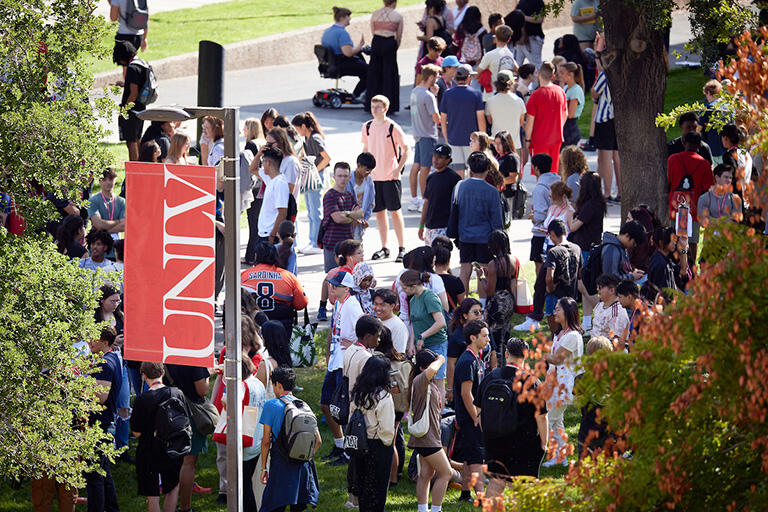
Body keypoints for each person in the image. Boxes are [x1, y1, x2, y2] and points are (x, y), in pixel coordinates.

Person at [476, 339, 548, 492]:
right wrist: (544, 442)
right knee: (518, 486)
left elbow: (479, 411)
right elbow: (541, 417)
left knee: (496, 481)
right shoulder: (533, 382)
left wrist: (488, 433)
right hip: (523, 442)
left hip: (493, 441)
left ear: (507, 354)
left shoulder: (491, 377)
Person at [259, 367, 321, 512]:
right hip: (301, 466)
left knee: (273, 506)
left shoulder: (271, 405)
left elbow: (266, 441)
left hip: (281, 464)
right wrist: (305, 455)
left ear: (278, 385)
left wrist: (263, 467)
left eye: (273, 385)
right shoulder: (303, 405)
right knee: (297, 507)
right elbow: (318, 440)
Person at [130, 362, 188, 512]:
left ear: (144, 375)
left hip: (148, 449)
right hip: (173, 446)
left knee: (152, 493)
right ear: (162, 374)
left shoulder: (142, 399)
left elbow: (136, 432)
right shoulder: (177, 393)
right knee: (173, 487)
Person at [321, 270, 364, 466]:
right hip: (335, 361)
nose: (332, 287)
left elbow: (366, 328)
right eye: (331, 284)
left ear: (346, 288)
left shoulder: (353, 305)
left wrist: (355, 343)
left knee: (342, 408)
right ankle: (340, 445)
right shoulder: (339, 302)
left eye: (336, 285)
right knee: (326, 403)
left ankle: (348, 452)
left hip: (345, 362)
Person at [362, 95, 409, 262]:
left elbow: (406, 148)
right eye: (373, 106)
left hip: (390, 176)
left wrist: (398, 169)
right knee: (379, 213)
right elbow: (366, 149)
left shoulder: (392, 127)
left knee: (395, 212)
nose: (374, 110)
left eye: (378, 107)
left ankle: (402, 248)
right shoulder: (367, 127)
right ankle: (384, 247)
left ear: (385, 109)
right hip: (374, 177)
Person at [450, 152, 504, 296]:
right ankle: (482, 304)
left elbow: (454, 211)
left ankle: (463, 304)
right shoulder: (492, 191)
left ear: (470, 169)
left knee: (465, 271)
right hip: (485, 237)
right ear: (487, 169)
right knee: (483, 271)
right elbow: (497, 219)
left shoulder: (460, 187)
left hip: (464, 235)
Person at [343, 315, 382, 509]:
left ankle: (352, 496)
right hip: (362, 413)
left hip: (351, 411)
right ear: (367, 336)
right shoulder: (366, 358)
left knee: (354, 456)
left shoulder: (350, 349)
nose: (379, 340)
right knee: (362, 459)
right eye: (377, 336)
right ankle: (358, 498)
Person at [348, 356, 396, 511]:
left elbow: (351, 417)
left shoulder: (357, 393)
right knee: (377, 490)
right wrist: (386, 443)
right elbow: (387, 429)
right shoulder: (384, 396)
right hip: (378, 445)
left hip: (360, 444)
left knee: (362, 487)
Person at [163, 362, 212, 512]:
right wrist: (208, 374)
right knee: (188, 463)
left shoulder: (168, 354)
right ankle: (185, 507)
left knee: (174, 461)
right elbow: (202, 390)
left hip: (170, 411)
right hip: (190, 414)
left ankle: (170, 504)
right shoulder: (195, 358)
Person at [85, 326, 123, 512]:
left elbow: (100, 396)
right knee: (103, 472)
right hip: (105, 424)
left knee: (93, 476)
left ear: (106, 342)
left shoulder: (105, 363)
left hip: (100, 425)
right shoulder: (110, 358)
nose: (90, 341)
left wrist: (77, 388)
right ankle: (112, 508)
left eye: (94, 338)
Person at [408, 349, 452, 512]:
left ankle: (422, 509)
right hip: (428, 439)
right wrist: (440, 359)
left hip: (429, 436)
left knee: (426, 474)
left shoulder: (425, 382)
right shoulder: (420, 380)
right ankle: (436, 509)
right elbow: (432, 369)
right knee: (446, 473)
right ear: (422, 368)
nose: (437, 368)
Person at [542, 297, 584, 467]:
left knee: (549, 419)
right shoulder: (560, 334)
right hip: (556, 384)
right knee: (556, 420)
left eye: (558, 309)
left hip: (565, 386)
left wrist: (540, 355)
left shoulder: (573, 336)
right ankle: (562, 457)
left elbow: (557, 358)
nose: (554, 312)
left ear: (567, 312)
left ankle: (556, 457)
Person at [452, 319, 489, 501]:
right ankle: (482, 498)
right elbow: (466, 394)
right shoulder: (467, 361)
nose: (488, 339)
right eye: (484, 336)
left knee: (469, 457)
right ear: (473, 338)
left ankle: (465, 494)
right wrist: (476, 418)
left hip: (471, 417)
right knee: (476, 460)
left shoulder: (476, 358)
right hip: (469, 418)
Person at [566, 172, 606, 331]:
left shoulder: (592, 205)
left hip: (586, 250)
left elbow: (574, 226)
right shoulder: (596, 203)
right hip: (588, 247)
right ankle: (588, 322)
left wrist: (569, 214)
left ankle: (604, 312)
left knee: (583, 285)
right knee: (586, 285)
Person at [241, 242, 308, 334]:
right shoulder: (289, 277)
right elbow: (301, 304)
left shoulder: (242, 276)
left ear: (256, 256)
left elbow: (232, 303)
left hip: (252, 332)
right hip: (282, 332)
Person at [667, 131, 714, 259]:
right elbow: (708, 189)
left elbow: (668, 182)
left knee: (675, 240)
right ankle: (690, 268)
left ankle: (677, 266)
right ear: (699, 146)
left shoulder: (672, 159)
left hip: (675, 207)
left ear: (684, 143)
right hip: (693, 209)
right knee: (692, 242)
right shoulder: (704, 164)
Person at [400, 270, 448, 394]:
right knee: (424, 381)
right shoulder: (413, 299)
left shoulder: (429, 297)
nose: (402, 290)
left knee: (437, 382)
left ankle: (438, 412)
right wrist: (411, 343)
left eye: (404, 287)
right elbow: (413, 323)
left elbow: (441, 322)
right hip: (421, 346)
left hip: (436, 344)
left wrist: (422, 336)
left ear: (414, 286)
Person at [475, 230, 519, 363]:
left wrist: (481, 277)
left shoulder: (494, 264)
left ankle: (496, 365)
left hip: (497, 303)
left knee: (494, 337)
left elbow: (489, 291)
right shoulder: (512, 260)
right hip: (509, 300)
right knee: (505, 334)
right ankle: (507, 361)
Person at [292, 112, 331, 254]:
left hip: (315, 177)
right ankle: (312, 240)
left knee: (316, 211)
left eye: (297, 128)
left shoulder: (314, 138)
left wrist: (314, 170)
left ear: (303, 126)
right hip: (311, 178)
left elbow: (327, 158)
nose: (296, 131)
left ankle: (317, 243)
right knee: (311, 210)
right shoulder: (307, 139)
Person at [439, 64, 484, 178]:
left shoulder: (448, 94)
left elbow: (443, 119)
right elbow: (481, 119)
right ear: (468, 77)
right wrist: (483, 139)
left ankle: (459, 195)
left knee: (458, 172)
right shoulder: (476, 94)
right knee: (473, 170)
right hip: (472, 140)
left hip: (453, 138)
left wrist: (446, 136)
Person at [408, 64, 442, 213]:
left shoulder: (415, 91)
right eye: (437, 76)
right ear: (431, 77)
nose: (438, 79)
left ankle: (414, 199)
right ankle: (423, 200)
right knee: (425, 168)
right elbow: (436, 118)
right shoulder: (428, 96)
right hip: (427, 134)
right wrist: (435, 96)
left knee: (416, 166)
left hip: (417, 133)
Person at [524, 62, 567, 174]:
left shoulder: (535, 95)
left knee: (541, 173)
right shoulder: (560, 91)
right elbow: (565, 114)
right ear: (553, 76)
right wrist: (558, 127)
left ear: (539, 74)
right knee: (553, 171)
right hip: (556, 137)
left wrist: (527, 140)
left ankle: (543, 191)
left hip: (539, 139)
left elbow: (530, 121)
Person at [576, 336, 614, 458]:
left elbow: (578, 401)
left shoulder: (581, 379)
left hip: (588, 430)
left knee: (585, 469)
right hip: (610, 431)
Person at [321, 162, 363, 271]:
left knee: (349, 277)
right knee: (333, 278)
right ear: (334, 177)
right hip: (332, 245)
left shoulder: (349, 195)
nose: (342, 179)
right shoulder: (329, 196)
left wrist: (346, 214)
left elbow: (360, 213)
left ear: (349, 178)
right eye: (339, 176)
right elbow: (337, 218)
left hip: (349, 245)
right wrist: (352, 216)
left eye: (345, 176)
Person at [321, 6, 368, 99]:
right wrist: (360, 45)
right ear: (342, 18)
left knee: (364, 70)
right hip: (341, 63)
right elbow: (348, 53)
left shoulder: (328, 31)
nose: (350, 18)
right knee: (370, 71)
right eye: (348, 16)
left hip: (331, 63)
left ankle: (360, 92)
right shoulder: (342, 33)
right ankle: (356, 95)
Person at [418, 144, 461, 245]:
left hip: (444, 227)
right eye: (434, 156)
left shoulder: (454, 178)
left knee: (441, 258)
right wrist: (421, 225)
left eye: (440, 157)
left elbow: (459, 204)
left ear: (448, 160)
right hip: (430, 226)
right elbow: (427, 202)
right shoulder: (430, 178)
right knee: (429, 258)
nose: (435, 159)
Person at [592, 51, 621, 202]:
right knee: (617, 158)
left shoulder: (605, 75)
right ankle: (621, 192)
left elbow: (595, 93)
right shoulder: (622, 74)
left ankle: (607, 192)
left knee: (605, 157)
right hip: (617, 119)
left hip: (605, 119)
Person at [543, 219, 581, 330]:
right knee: (569, 330)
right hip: (571, 298)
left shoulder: (553, 252)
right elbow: (580, 273)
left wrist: (550, 289)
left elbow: (549, 278)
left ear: (552, 234)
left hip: (556, 297)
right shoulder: (577, 248)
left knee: (556, 334)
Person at [113, 40, 147, 161]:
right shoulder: (142, 64)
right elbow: (138, 85)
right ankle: (140, 166)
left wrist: (124, 109)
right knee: (137, 139)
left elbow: (133, 93)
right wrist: (125, 84)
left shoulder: (132, 68)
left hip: (131, 110)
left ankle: (134, 169)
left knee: (131, 143)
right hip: (141, 107)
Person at [367, 0, 403, 113]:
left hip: (377, 41)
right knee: (389, 73)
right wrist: (394, 47)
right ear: (395, 2)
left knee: (374, 72)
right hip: (389, 42)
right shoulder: (397, 16)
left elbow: (373, 31)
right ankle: (389, 106)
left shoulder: (375, 14)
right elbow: (399, 36)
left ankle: (371, 104)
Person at [446, 298, 482, 405]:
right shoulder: (457, 336)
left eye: (481, 312)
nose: (479, 315)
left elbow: (493, 352)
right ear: (465, 315)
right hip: (465, 378)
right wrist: (450, 389)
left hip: (482, 375)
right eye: (475, 312)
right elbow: (451, 364)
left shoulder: (484, 330)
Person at [528, 154, 560, 275]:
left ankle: (542, 291)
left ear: (536, 168)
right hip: (558, 232)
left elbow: (540, 216)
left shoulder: (539, 189)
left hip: (541, 234)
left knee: (541, 268)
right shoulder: (559, 181)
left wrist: (532, 216)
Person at [485, 71, 526, 153]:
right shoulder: (519, 101)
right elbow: (521, 122)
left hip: (496, 143)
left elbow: (490, 121)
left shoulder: (490, 101)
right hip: (514, 144)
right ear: (511, 83)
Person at [255, 147, 290, 244]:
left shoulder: (280, 183)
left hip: (270, 235)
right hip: (264, 234)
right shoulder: (271, 179)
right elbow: (252, 169)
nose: (262, 165)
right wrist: (259, 154)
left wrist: (272, 235)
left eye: (263, 162)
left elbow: (282, 212)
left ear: (268, 163)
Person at [476, 24, 517, 98]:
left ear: (495, 38)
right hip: (508, 94)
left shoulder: (489, 55)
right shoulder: (510, 55)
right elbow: (517, 69)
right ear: (509, 39)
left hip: (491, 95)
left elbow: (476, 75)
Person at [647, 227, 690, 294]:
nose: (675, 242)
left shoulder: (664, 258)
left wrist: (684, 248)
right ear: (661, 242)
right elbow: (662, 294)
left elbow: (683, 271)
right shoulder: (660, 264)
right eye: (671, 240)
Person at [591, 273, 630, 345]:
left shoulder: (617, 312)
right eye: (597, 287)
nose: (597, 289)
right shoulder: (599, 305)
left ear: (612, 290)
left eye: (600, 287)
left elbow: (617, 341)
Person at [88, 168, 125, 241]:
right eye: (104, 180)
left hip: (116, 243)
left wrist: (106, 231)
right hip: (98, 243)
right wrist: (117, 222)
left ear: (115, 180)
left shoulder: (122, 201)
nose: (108, 182)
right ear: (99, 181)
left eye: (111, 179)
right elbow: (98, 224)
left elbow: (124, 226)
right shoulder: (93, 201)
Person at [346, 152, 376, 242]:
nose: (369, 173)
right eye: (367, 170)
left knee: (356, 246)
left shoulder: (369, 181)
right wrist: (351, 219)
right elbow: (344, 202)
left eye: (371, 170)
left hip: (359, 223)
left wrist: (364, 219)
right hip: (347, 221)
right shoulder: (348, 179)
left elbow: (371, 203)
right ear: (358, 166)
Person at [697, 79, 727, 162]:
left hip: (712, 148)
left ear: (709, 93)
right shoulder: (727, 107)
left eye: (706, 94)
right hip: (727, 147)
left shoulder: (708, 108)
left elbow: (698, 129)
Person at [372, 288, 409, 355]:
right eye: (376, 304)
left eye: (382, 305)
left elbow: (399, 354)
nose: (378, 308)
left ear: (392, 306)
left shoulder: (398, 326)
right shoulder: (376, 321)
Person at [432, 238, 465, 310]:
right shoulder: (455, 281)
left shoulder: (427, 278)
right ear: (448, 261)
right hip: (450, 319)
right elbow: (463, 304)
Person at [559, 62, 585, 147]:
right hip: (565, 127)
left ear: (570, 74)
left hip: (570, 129)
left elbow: (570, 114)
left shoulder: (576, 90)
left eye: (562, 73)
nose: (560, 75)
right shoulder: (566, 87)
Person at [514, 0, 545, 70]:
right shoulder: (521, 2)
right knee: (517, 64)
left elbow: (540, 19)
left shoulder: (539, 2)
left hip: (533, 37)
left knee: (535, 64)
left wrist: (524, 18)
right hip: (521, 38)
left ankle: (540, 80)